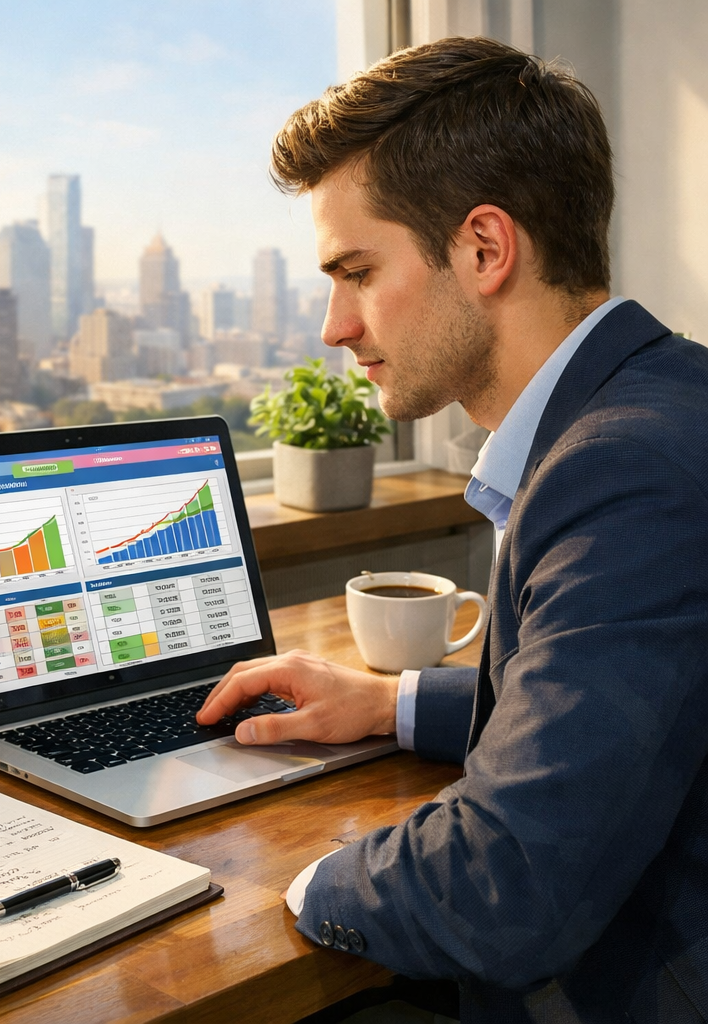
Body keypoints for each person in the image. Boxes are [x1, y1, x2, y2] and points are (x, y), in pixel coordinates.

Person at [197, 36, 708, 1023]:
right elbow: (623, 699)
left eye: (355, 270)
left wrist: (292, 887)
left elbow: (506, 884)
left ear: (483, 248)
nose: (334, 326)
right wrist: (389, 704)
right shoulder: (666, 395)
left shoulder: (620, 472)